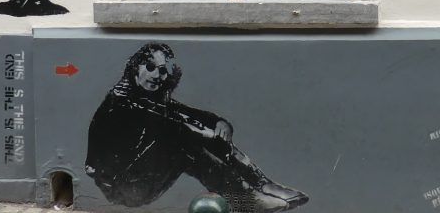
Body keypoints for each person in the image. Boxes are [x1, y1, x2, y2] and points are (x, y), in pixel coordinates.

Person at [86, 43, 308, 212]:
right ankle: (248, 200)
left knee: (188, 136)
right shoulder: (122, 103)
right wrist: (210, 136)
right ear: (135, 69)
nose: (156, 75)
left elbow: (185, 111)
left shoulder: (146, 97)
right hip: (124, 187)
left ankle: (262, 185)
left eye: (162, 70)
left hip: (138, 177)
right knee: (183, 142)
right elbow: (177, 127)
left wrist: (218, 123)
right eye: (150, 67)